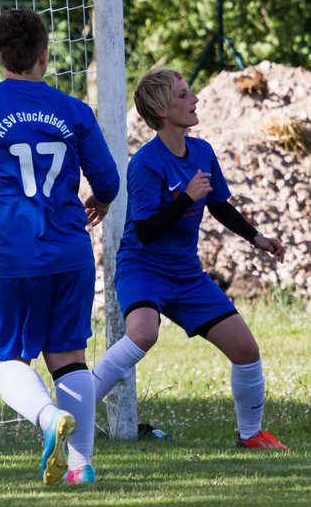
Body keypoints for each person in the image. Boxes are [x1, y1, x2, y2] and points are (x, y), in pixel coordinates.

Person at [0, 9, 118, 485]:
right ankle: (81, 467)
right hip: (69, 252)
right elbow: (110, 181)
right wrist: (97, 200)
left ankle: (47, 418)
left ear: (1, 55)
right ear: (44, 54)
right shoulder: (74, 110)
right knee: (68, 355)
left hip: (11, 256)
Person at [91, 67, 289, 451]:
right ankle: (74, 413)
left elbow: (218, 206)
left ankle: (250, 436)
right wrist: (184, 198)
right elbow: (145, 231)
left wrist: (257, 238)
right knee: (144, 333)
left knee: (246, 350)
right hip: (142, 267)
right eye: (183, 95)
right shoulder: (145, 163)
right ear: (163, 110)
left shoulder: (201, 151)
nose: (194, 99)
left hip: (185, 273)